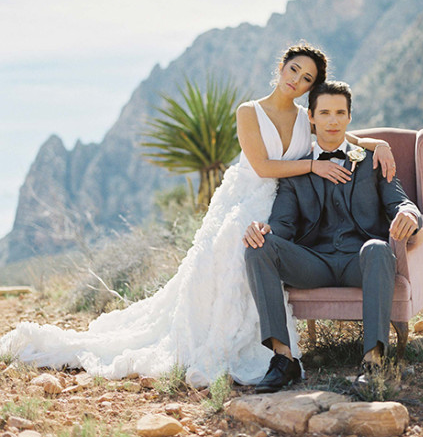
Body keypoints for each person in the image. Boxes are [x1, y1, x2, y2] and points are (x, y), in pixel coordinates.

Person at [0, 46, 397, 387]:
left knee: (262, 246)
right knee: (231, 249)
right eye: (293, 69)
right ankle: (246, 348)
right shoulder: (249, 111)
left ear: (312, 89)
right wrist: (312, 169)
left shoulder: (304, 117)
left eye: (307, 77)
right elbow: (261, 166)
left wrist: (376, 143)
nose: (297, 79)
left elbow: (337, 135)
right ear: (281, 68)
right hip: (255, 194)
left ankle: (289, 352)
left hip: (288, 202)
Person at [244, 80, 421, 393]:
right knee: (259, 247)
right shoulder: (296, 170)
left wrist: (409, 214)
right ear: (310, 118)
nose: (333, 120)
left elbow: (401, 202)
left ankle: (373, 361)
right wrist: (264, 230)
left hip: (361, 261)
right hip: (314, 264)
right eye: (324, 113)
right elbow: (282, 223)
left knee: (379, 249)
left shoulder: (373, 162)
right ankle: (284, 360)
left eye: (340, 112)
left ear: (350, 118)